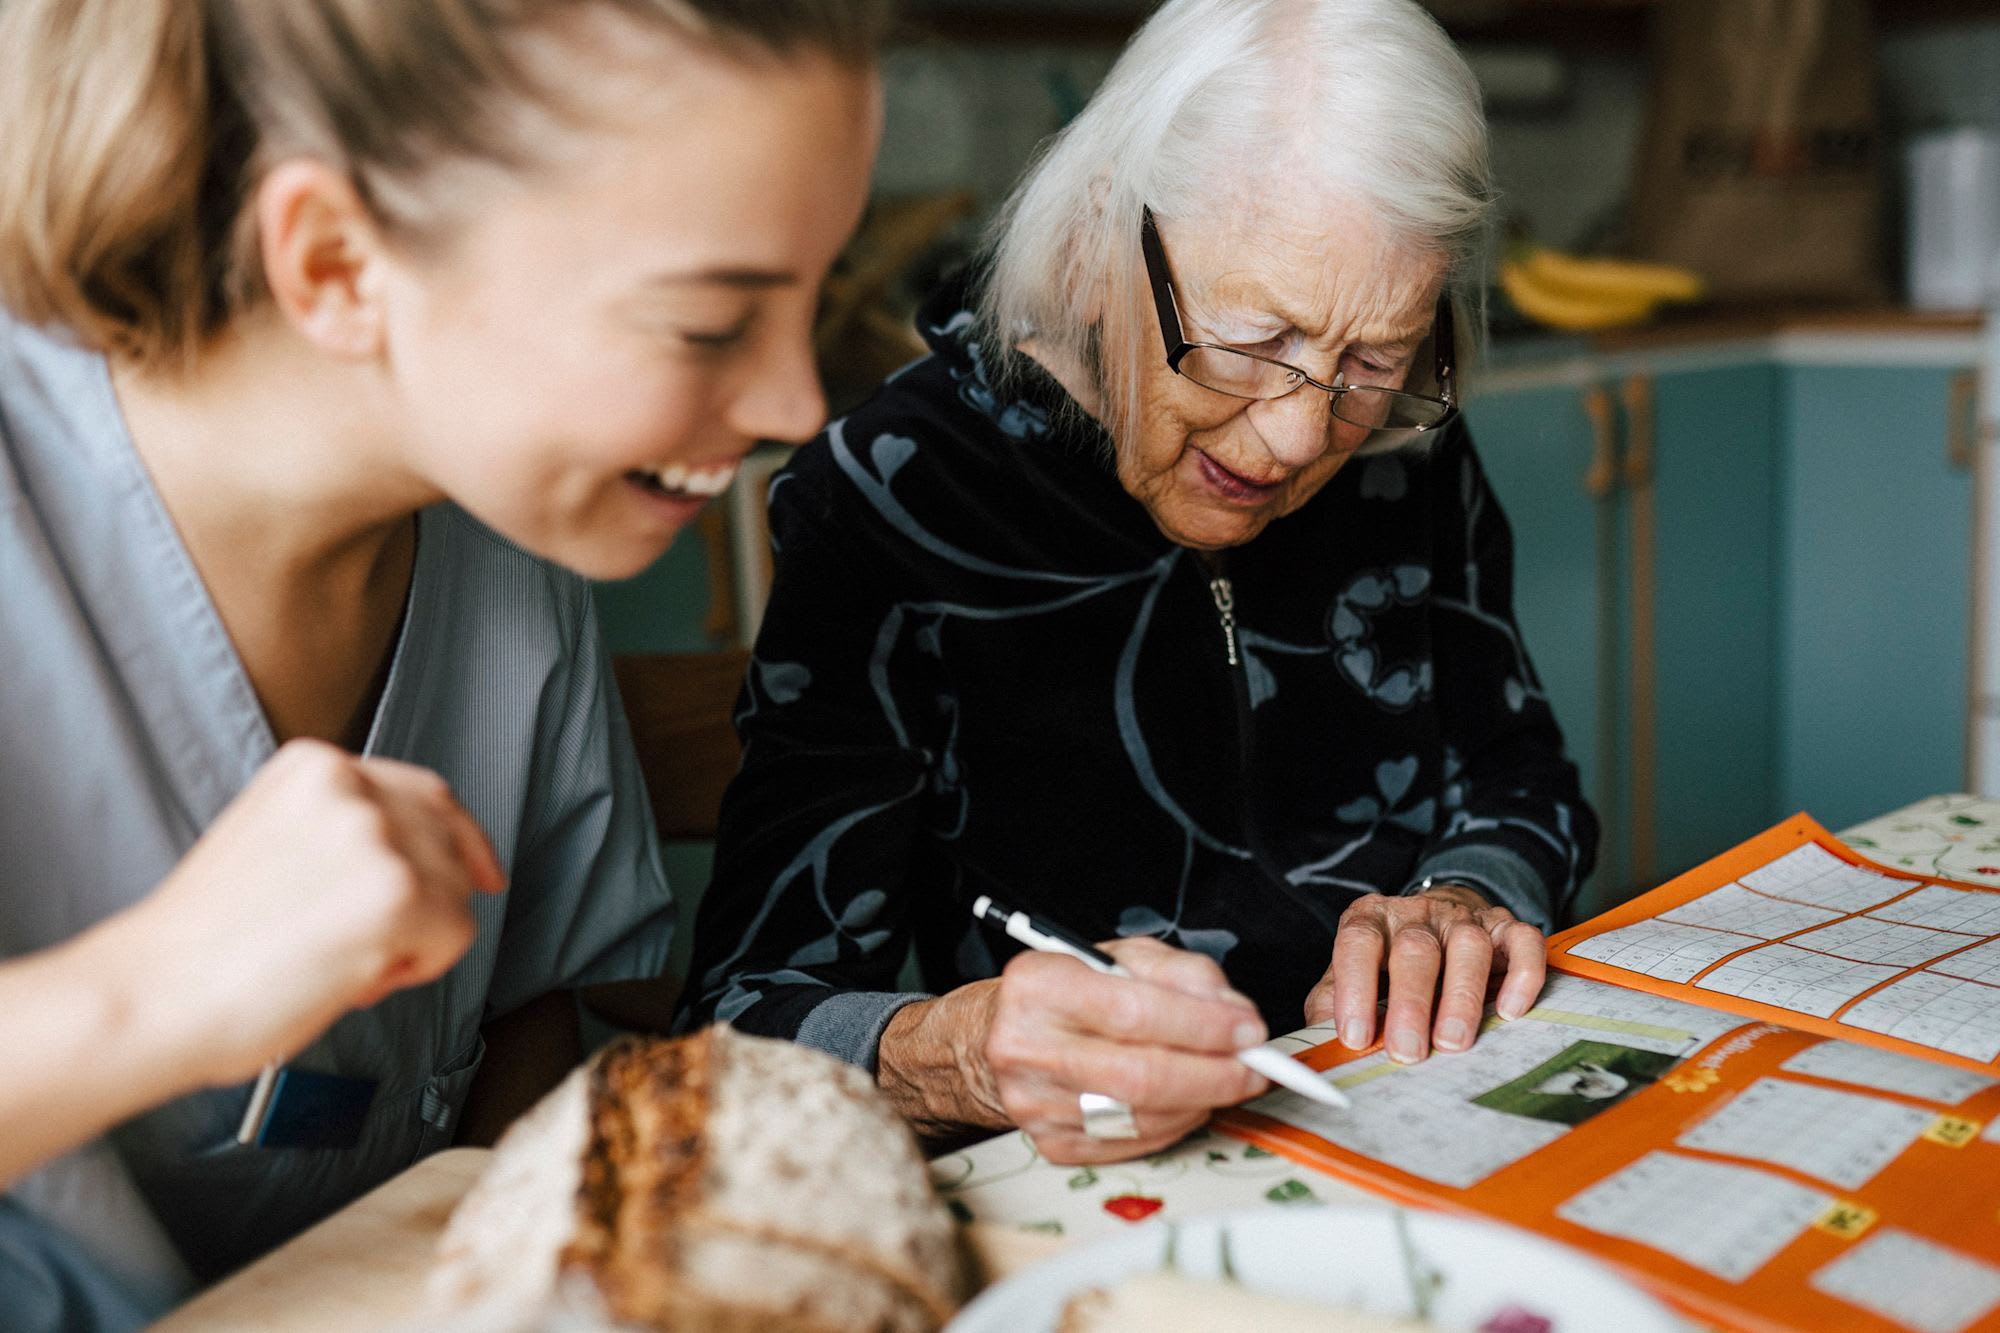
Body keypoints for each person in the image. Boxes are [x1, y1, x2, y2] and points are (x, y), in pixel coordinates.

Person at [0, 0, 885, 1325]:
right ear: (338, 263)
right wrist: (155, 988)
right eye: (709, 324)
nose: (796, 411)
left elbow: (528, 1015)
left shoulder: (512, 525)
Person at [679, 0, 1597, 1165]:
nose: (1295, 438)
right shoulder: (892, 492)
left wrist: (1467, 894)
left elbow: (1522, 776)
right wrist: (962, 1052)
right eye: (1251, 340)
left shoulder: (1397, 446)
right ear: (1098, 235)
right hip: (1087, 1170)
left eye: (1370, 361)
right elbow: (737, 1015)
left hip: (1416, 1116)